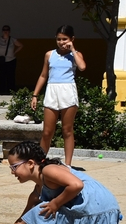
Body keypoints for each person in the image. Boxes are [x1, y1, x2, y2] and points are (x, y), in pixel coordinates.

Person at [31, 25, 87, 166]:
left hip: (68, 91)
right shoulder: (49, 54)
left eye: (65, 39)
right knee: (47, 131)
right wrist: (35, 95)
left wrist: (72, 49)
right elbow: (44, 75)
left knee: (67, 130)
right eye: (59, 39)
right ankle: (40, 161)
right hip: (52, 91)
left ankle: (68, 164)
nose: (62, 42)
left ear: (72, 39)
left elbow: (82, 67)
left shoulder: (76, 54)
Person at [0, 25, 24, 94]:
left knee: (11, 76)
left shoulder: (12, 40)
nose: (5, 32)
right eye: (4, 30)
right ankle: (1, 90)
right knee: (1, 75)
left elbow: (20, 45)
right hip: (1, 60)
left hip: (11, 60)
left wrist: (14, 52)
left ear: (9, 31)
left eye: (7, 30)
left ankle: (11, 90)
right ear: (2, 31)